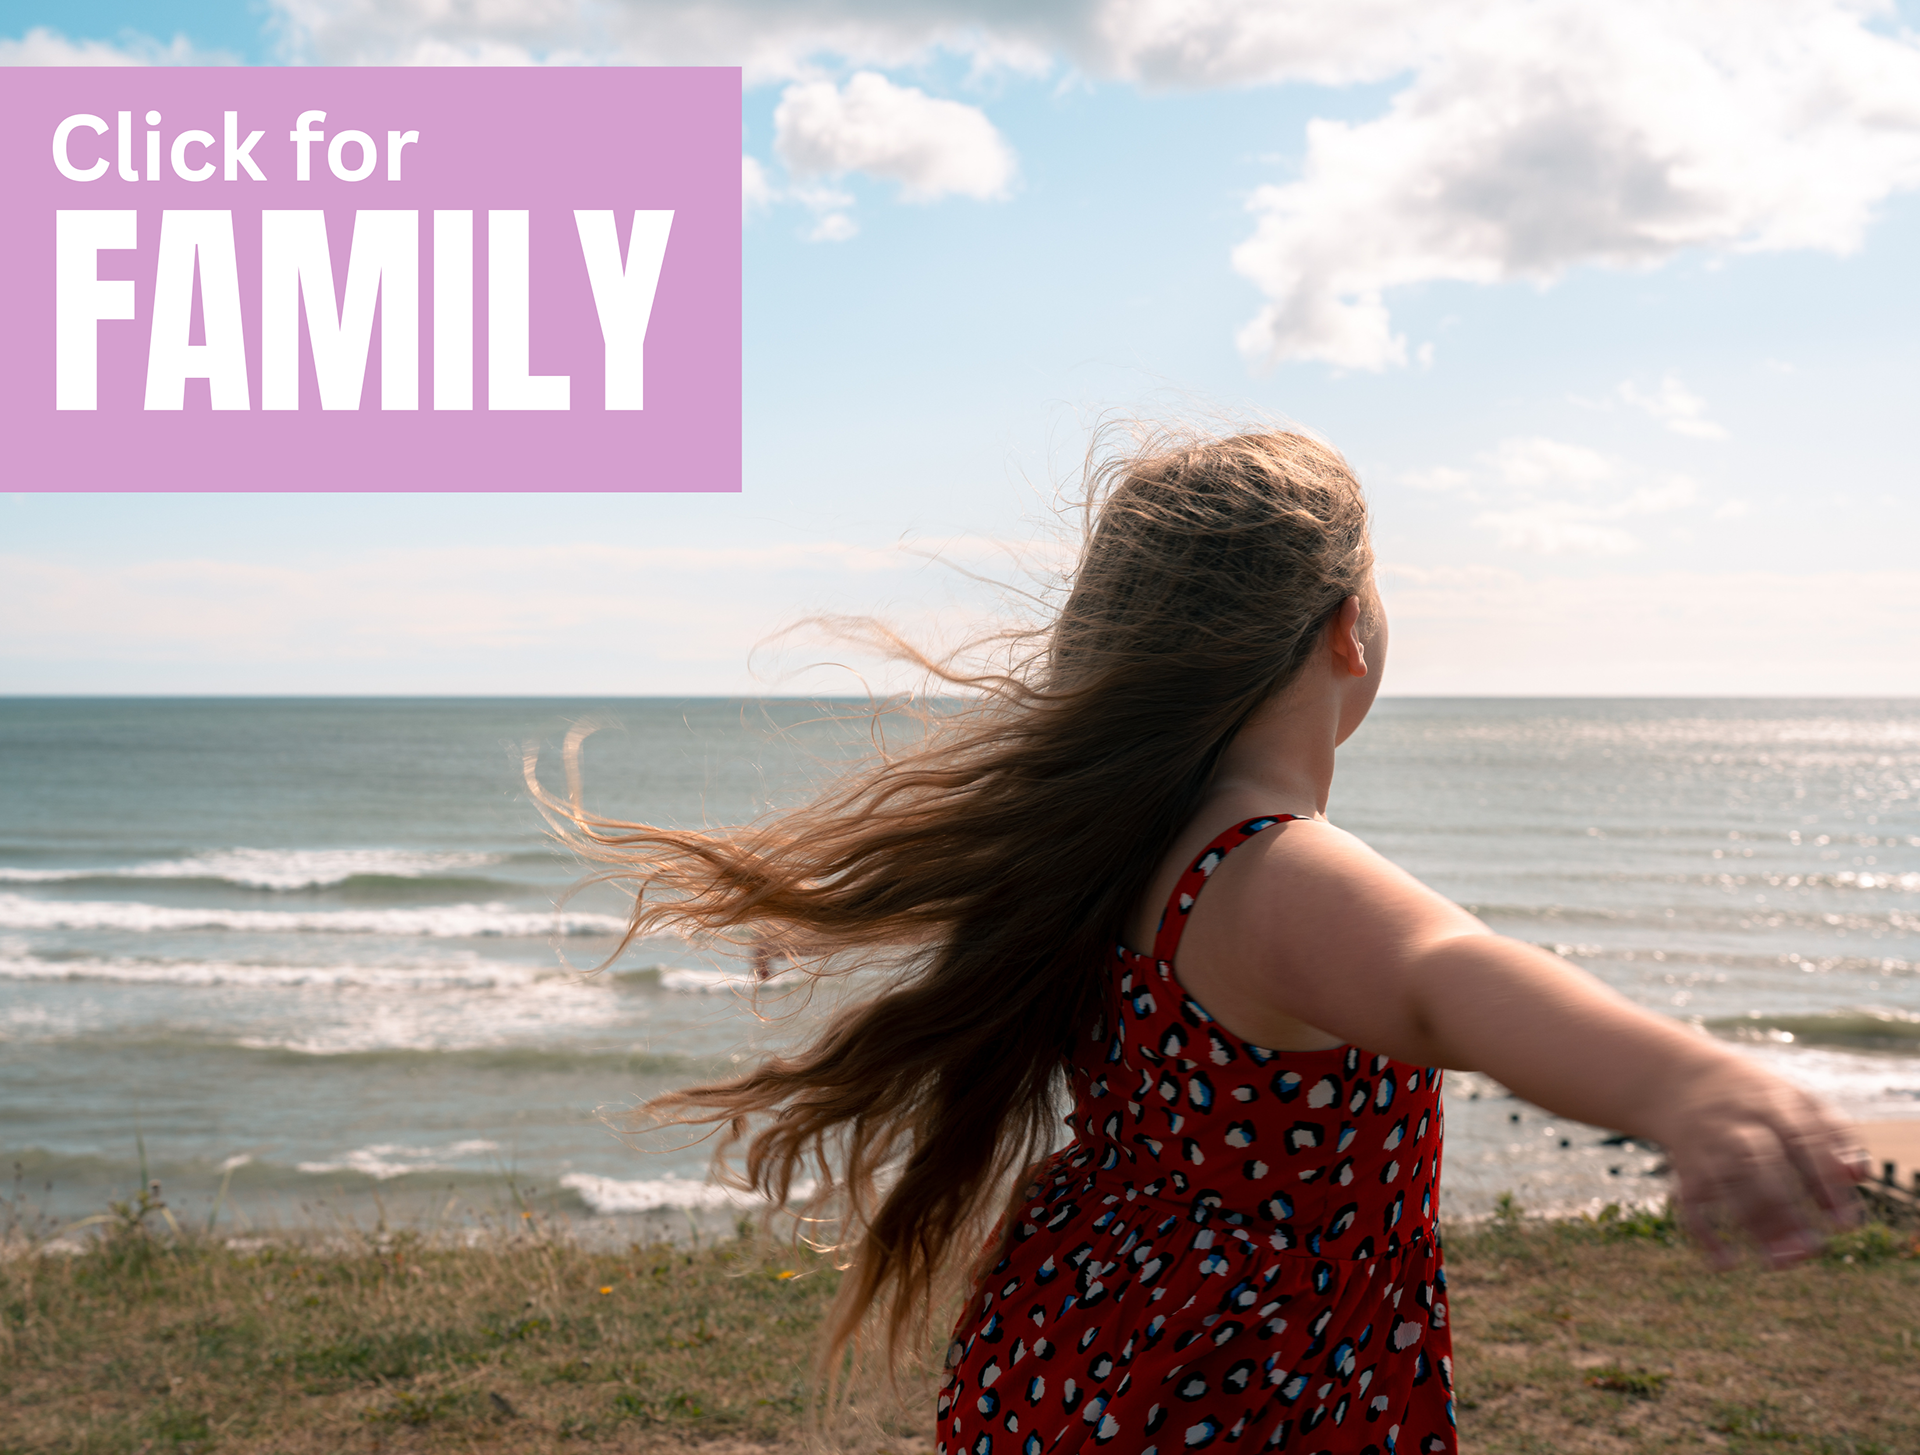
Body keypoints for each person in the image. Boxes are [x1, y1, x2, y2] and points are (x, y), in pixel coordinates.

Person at [537, 428, 1864, 1455]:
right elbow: (1447, 981)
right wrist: (1689, 1081)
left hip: (1082, 1344)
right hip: (1241, 1389)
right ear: (1349, 628)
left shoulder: (1120, 846)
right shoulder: (1269, 867)